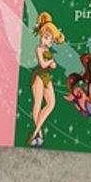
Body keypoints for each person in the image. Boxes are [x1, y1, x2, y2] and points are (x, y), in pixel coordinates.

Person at [27, 12, 65, 147]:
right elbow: (43, 64)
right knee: (37, 104)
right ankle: (38, 135)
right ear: (41, 35)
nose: (48, 41)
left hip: (46, 78)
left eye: (51, 40)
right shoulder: (39, 49)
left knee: (51, 104)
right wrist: (50, 62)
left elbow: (52, 65)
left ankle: (35, 132)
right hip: (38, 76)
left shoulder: (48, 51)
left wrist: (53, 64)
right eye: (46, 37)